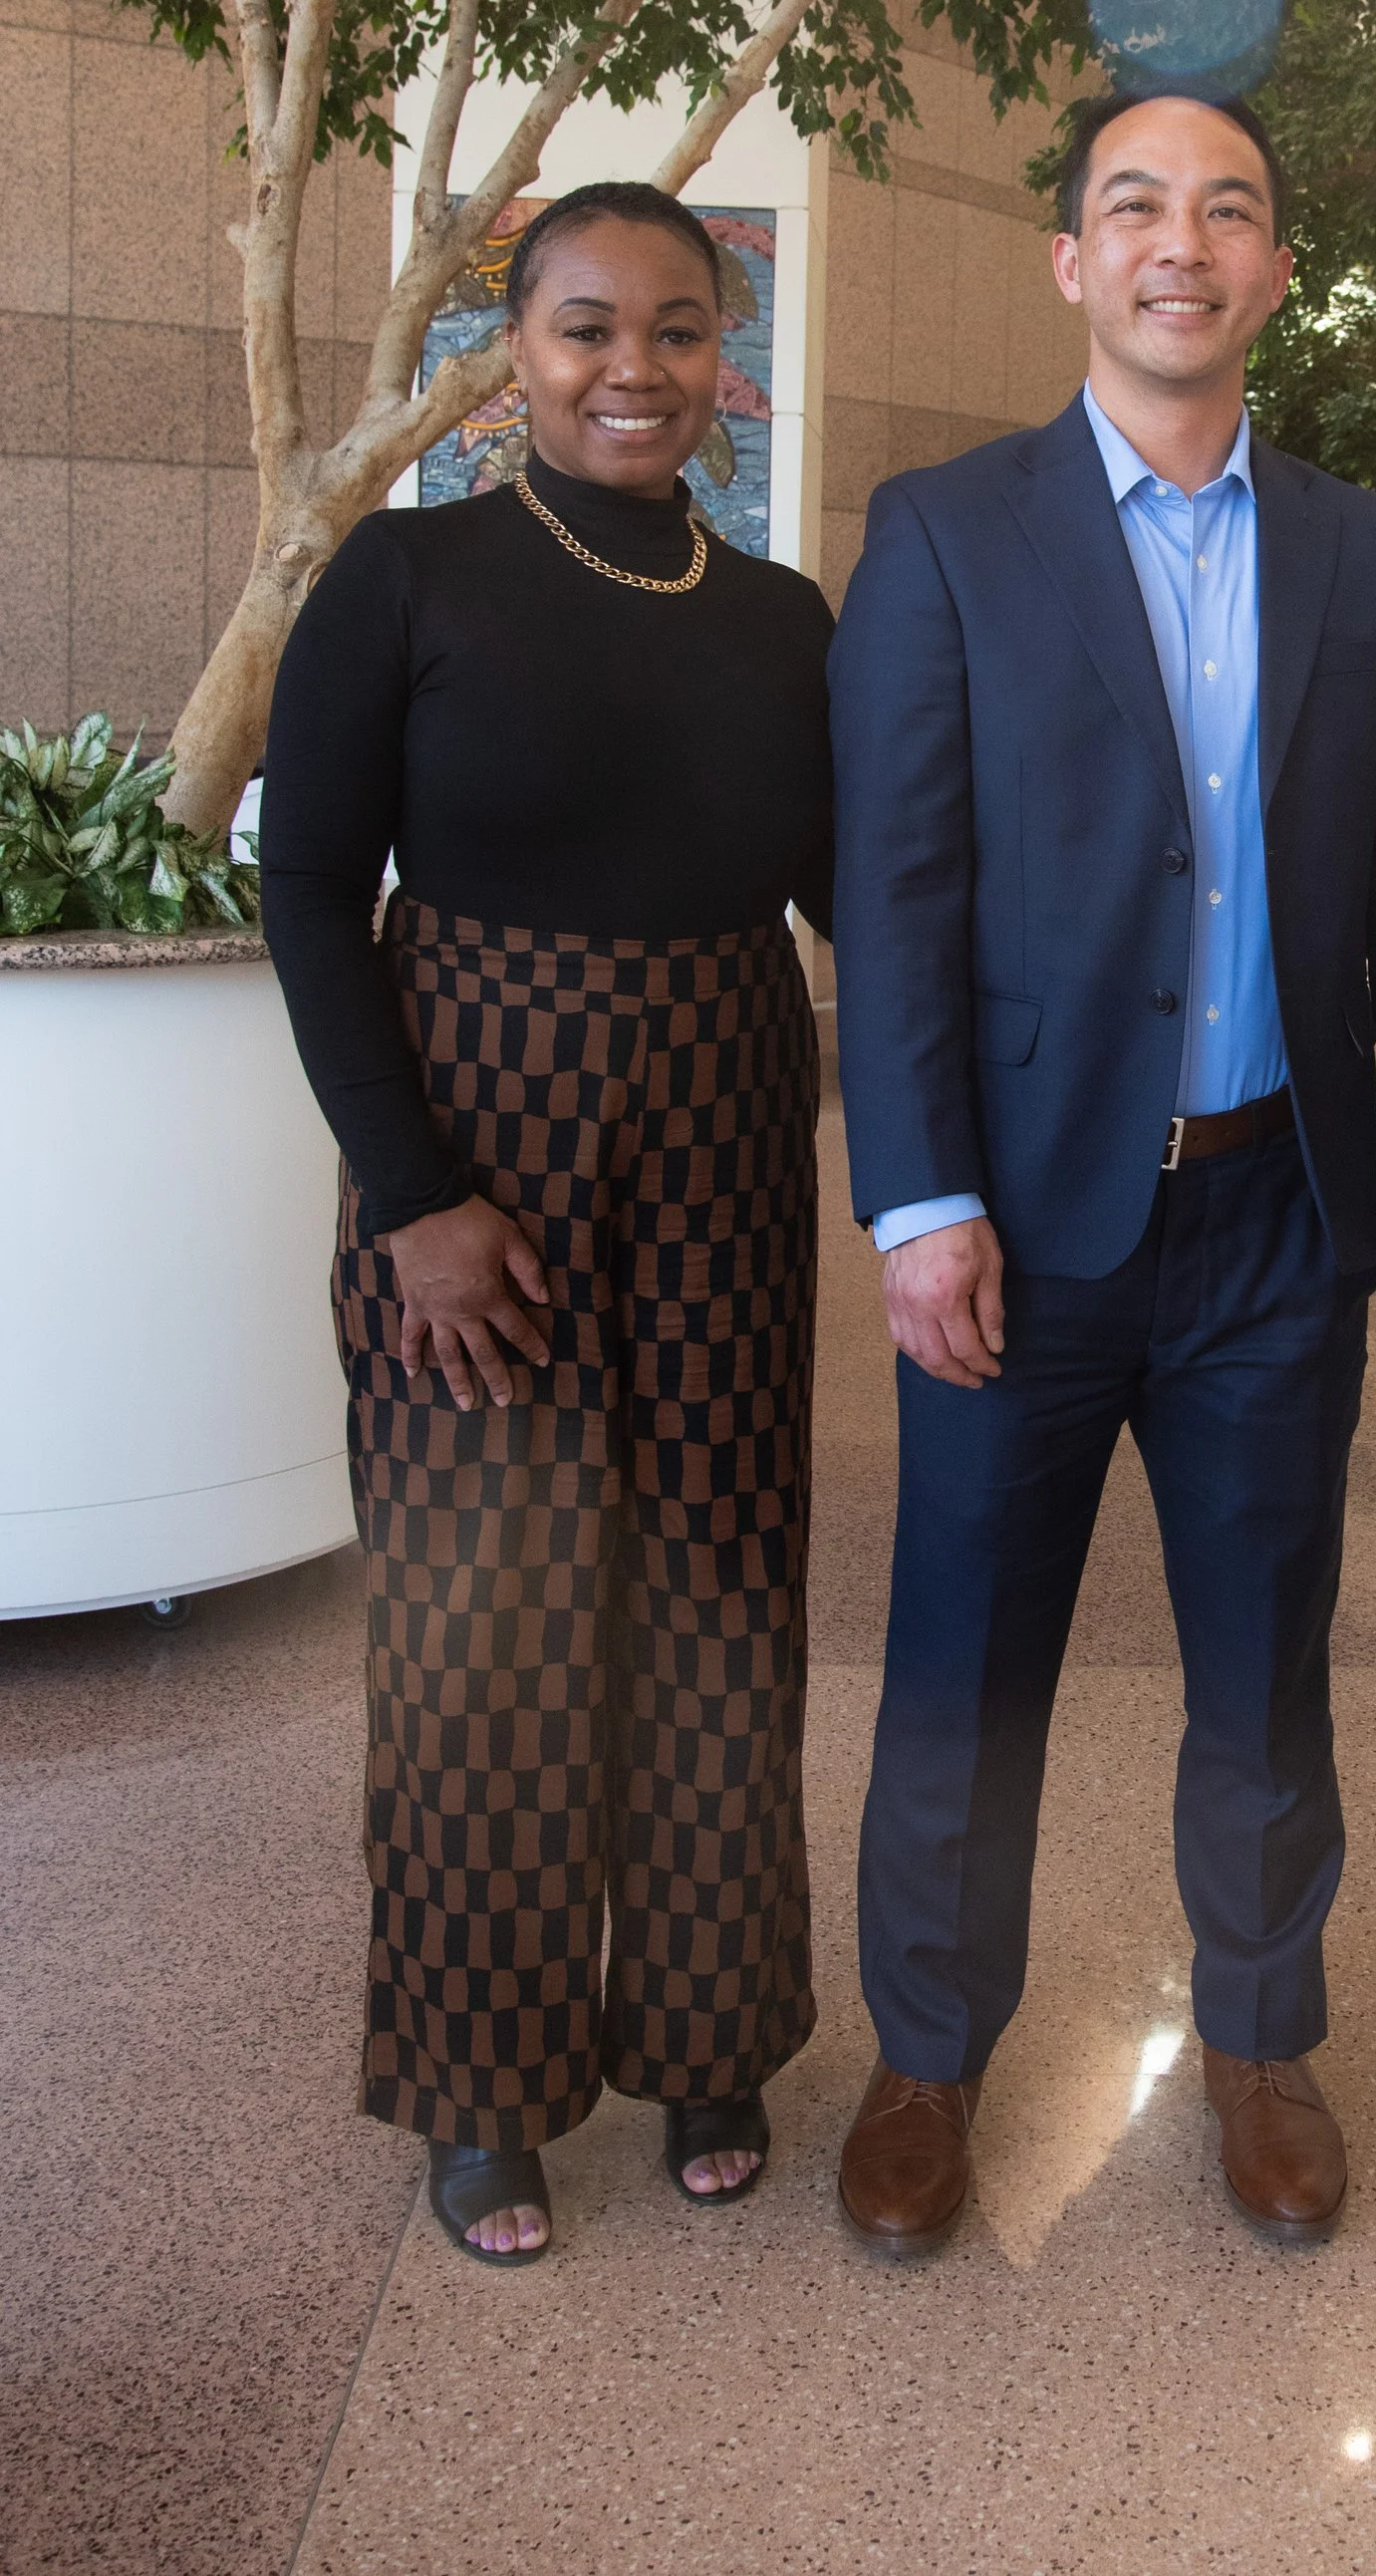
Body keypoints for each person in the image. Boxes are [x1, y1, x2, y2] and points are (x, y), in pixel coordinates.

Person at [827, 88, 1376, 2254]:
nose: (1178, 243)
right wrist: (917, 1199)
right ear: (1071, 259)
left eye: (1226, 210)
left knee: (1264, 1654)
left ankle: (1259, 2038)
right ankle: (925, 2058)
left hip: (1270, 1218)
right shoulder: (944, 530)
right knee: (963, 1656)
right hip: (1019, 1219)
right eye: (1134, 204)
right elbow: (897, 885)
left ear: (1277, 266)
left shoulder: (1361, 550)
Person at [259, 182, 836, 2267]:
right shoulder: (405, 578)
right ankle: (481, 2084)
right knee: (479, 1622)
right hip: (472, 1146)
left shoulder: (780, 620)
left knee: (714, 1598)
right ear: (505, 350)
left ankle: (708, 2034)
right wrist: (412, 1198)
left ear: (722, 359)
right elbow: (311, 886)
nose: (633, 369)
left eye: (677, 330)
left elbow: (864, 898)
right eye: (587, 327)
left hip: (722, 1144)